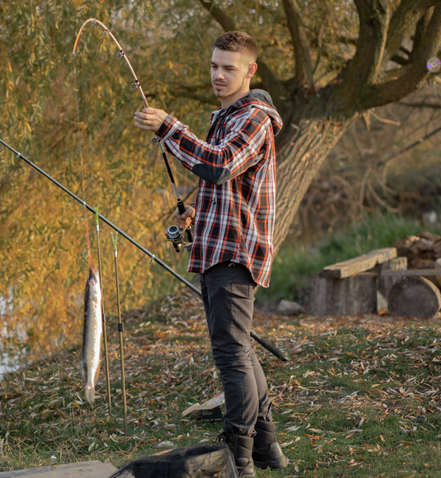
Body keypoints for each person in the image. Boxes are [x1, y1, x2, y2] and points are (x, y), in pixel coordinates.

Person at [133, 31, 287, 477]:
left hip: (236, 251)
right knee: (239, 348)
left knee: (231, 353)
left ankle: (237, 454)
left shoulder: (255, 116)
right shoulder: (227, 115)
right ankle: (266, 447)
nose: (219, 75)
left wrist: (168, 127)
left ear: (250, 71)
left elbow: (219, 165)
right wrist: (193, 212)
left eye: (229, 68)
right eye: (214, 66)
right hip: (218, 245)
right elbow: (224, 183)